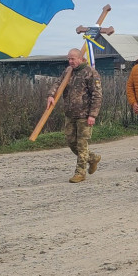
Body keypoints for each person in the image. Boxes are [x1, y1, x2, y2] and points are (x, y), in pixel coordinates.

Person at [47, 48, 103, 183]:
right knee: (71, 142)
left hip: (84, 115)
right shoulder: (68, 71)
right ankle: (92, 158)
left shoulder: (90, 73)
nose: (70, 61)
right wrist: (51, 95)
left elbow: (97, 95)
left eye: (73, 59)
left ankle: (80, 173)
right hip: (70, 114)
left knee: (82, 143)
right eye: (69, 59)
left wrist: (92, 115)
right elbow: (58, 83)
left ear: (80, 58)